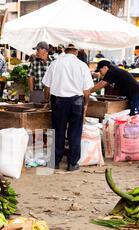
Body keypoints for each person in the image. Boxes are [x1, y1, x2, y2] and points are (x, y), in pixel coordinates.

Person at [42, 44, 94, 172]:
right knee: (75, 133)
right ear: (76, 51)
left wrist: (47, 101)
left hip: (58, 101)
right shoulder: (82, 65)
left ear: (65, 50)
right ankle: (72, 163)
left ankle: (55, 162)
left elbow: (47, 88)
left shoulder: (55, 63)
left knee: (58, 131)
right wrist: (85, 104)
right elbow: (87, 91)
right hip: (76, 102)